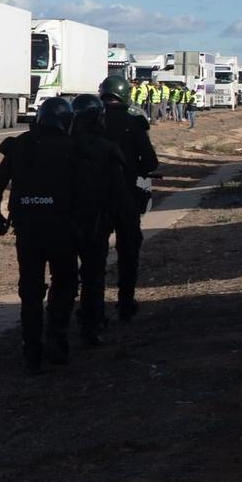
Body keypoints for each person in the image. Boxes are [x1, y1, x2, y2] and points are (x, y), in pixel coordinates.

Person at [0, 96, 79, 373]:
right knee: (64, 283)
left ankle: (31, 349)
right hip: (62, 228)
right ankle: (56, 338)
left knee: (30, 290)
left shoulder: (20, 144)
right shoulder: (72, 148)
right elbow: (86, 190)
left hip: (27, 229)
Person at [69, 93, 134, 345]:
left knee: (64, 278)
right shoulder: (106, 148)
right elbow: (119, 192)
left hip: (66, 220)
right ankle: (91, 324)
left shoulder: (66, 145)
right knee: (93, 275)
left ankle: (60, 331)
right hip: (94, 219)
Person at [96, 74, 159, 321]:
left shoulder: (89, 119)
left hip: (94, 198)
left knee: (94, 254)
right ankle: (125, 302)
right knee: (128, 251)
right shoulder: (133, 121)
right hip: (125, 195)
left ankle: (93, 308)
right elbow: (151, 162)